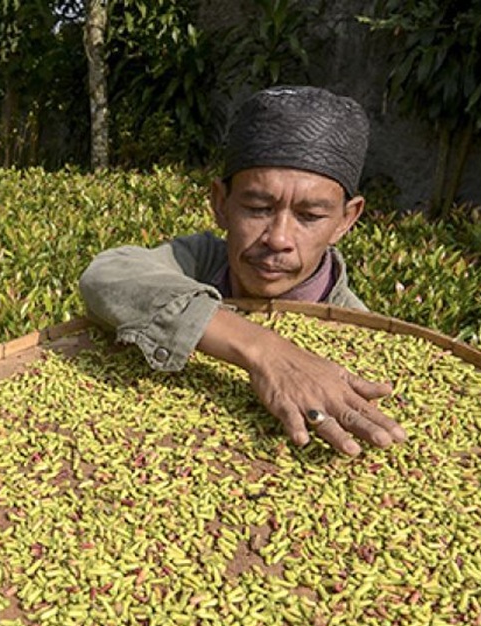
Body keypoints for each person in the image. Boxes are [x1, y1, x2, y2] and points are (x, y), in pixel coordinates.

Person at [79, 85, 407, 456]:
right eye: (257, 208)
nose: (278, 238)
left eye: (310, 216)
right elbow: (107, 275)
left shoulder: (359, 334)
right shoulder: (198, 262)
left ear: (345, 220)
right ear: (221, 203)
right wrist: (264, 350)